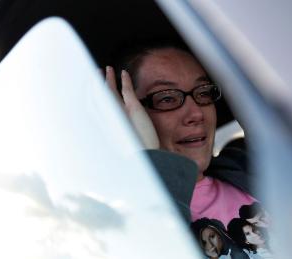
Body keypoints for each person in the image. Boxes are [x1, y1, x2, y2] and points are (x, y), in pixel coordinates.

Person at [105, 41, 257, 226]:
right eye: (167, 98)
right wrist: (150, 160)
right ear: (126, 113)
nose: (197, 114)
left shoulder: (245, 164)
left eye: (203, 92)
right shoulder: (128, 222)